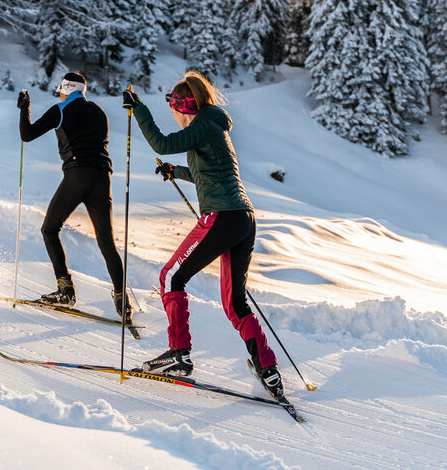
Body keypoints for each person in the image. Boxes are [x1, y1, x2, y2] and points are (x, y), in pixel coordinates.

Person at [121, 71, 284, 397]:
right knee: (235, 303)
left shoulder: (201, 126)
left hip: (221, 217)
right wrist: (176, 172)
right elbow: (208, 174)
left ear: (183, 106)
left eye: (173, 107)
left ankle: (178, 355)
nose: (173, 114)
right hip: (243, 219)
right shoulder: (213, 126)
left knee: (170, 277)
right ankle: (268, 370)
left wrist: (138, 109)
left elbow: (162, 143)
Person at [18, 71, 131, 319]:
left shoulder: (61, 109)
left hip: (77, 175)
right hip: (102, 177)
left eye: (61, 90)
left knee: (49, 229)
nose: (59, 94)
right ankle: (122, 300)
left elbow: (27, 135)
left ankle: (65, 290)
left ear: (67, 89)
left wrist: (24, 108)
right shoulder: (99, 112)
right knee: (106, 241)